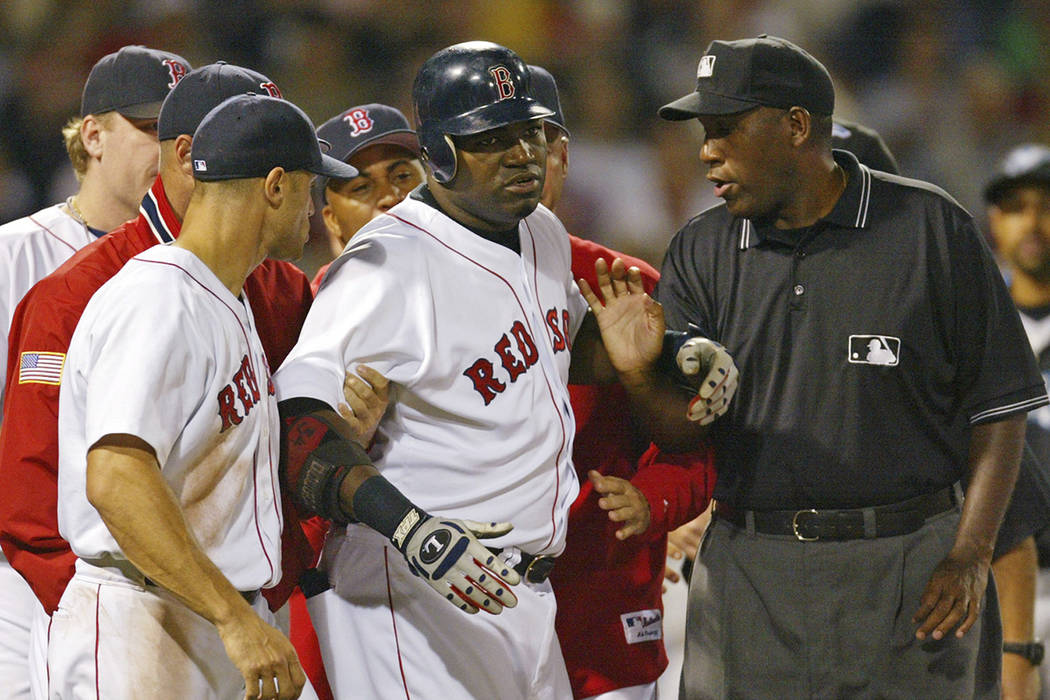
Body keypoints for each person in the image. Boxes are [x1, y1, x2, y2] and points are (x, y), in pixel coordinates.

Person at [272, 41, 735, 699]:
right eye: (494, 138)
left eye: (529, 132)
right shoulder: (385, 265)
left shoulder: (538, 229)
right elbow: (300, 428)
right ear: (439, 153)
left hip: (523, 591)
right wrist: (410, 528)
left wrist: (668, 355)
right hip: (412, 595)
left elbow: (559, 345)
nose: (524, 154)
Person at [651, 35, 1047, 698]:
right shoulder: (700, 249)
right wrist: (647, 374)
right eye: (704, 132)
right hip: (750, 562)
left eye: (726, 129)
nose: (706, 150)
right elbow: (671, 423)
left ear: (798, 126)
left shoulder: (930, 229)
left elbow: (999, 408)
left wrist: (971, 556)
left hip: (908, 567)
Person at [0, 62, 321, 700]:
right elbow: (91, 482)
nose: (317, 208)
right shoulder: (135, 292)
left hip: (221, 606)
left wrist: (259, 595)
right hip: (139, 608)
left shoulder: (252, 286)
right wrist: (100, 604)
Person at [0, 44, 190, 700]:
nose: (167, 152)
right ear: (93, 135)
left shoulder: (193, 271)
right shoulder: (15, 255)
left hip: (159, 572)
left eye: (180, 135)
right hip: (23, 574)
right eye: (149, 130)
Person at [528, 63, 716, 700]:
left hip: (605, 602)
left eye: (536, 143)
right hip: (469, 604)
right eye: (493, 145)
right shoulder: (421, 292)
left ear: (563, 154)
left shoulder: (626, 284)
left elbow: (693, 451)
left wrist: (654, 500)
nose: (519, 163)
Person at [983, 143, 1050, 700]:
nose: (1033, 222)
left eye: (1047, 205)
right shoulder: (972, 324)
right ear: (994, 220)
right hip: (998, 581)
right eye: (1017, 207)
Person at [311, 103, 425, 292]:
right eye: (361, 188)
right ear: (333, 222)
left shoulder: (484, 255)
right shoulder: (314, 309)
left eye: (402, 176)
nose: (389, 197)